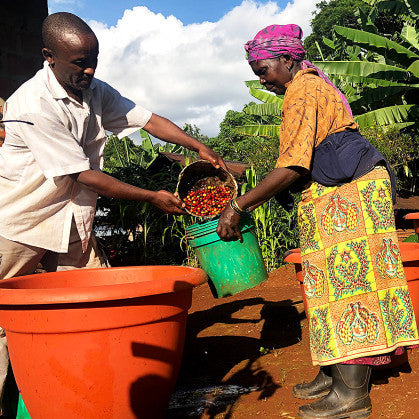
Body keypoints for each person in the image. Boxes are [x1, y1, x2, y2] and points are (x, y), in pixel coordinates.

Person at [0, 11, 226, 410]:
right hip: (21, 222)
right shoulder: (33, 102)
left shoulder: (94, 90)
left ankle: (95, 393)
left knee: (100, 304)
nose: (88, 70)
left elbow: (147, 119)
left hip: (71, 219)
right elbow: (84, 176)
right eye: (79, 63)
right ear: (49, 56)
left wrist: (197, 146)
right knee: (3, 320)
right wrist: (150, 196)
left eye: (94, 61)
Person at [216, 24, 419, 419]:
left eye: (264, 70)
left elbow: (292, 165)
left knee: (348, 286)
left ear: (288, 60)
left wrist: (237, 207)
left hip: (351, 190)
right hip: (340, 186)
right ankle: (334, 376)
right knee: (325, 283)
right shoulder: (306, 87)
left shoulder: (303, 90)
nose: (262, 80)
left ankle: (352, 396)